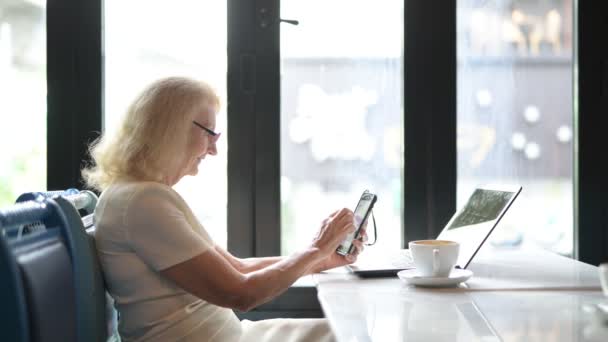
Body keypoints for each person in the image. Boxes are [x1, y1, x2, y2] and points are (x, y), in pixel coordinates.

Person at [82, 76, 367, 342]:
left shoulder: (142, 195)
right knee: (351, 334)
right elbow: (242, 293)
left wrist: (322, 260)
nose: (213, 149)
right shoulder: (141, 203)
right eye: (210, 134)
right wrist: (316, 250)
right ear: (171, 128)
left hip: (230, 335)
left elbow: (238, 268)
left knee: (347, 332)